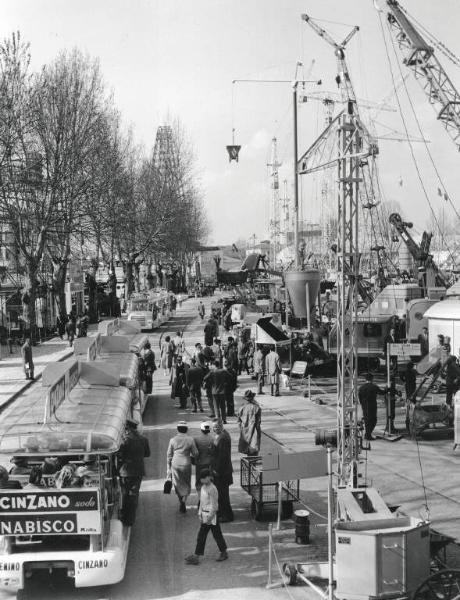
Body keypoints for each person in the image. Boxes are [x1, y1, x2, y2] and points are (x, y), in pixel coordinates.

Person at [185, 469, 228, 565]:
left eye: (204, 478)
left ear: (209, 477)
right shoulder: (203, 487)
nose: (202, 480)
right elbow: (201, 502)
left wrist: (210, 518)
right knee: (203, 536)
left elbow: (214, 506)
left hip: (211, 517)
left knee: (216, 535)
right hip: (205, 515)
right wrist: (199, 513)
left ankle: (223, 552)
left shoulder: (213, 489)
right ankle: (197, 556)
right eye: (201, 478)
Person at [118, 419, 150, 526]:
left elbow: (120, 455)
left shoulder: (124, 441)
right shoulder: (143, 439)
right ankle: (131, 519)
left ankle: (124, 516)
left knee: (125, 494)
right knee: (134, 495)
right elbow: (147, 454)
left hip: (125, 472)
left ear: (127, 428)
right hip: (139, 471)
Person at [166, 421, 198, 513]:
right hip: (186, 463)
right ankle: (184, 500)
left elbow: (169, 455)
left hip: (175, 464)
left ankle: (181, 500)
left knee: (177, 483)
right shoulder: (190, 439)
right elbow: (195, 453)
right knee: (186, 483)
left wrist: (168, 468)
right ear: (186, 429)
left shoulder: (172, 440)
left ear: (177, 429)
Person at [212, 420, 233, 522]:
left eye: (216, 427)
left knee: (223, 494)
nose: (214, 429)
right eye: (213, 427)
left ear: (221, 426)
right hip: (224, 471)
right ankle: (222, 513)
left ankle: (227, 516)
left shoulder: (223, 438)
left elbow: (222, 457)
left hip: (222, 472)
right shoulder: (222, 435)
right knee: (221, 494)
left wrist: (216, 470)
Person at [358, 373, 386, 441]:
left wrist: (362, 404)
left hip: (364, 406)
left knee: (367, 420)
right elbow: (382, 392)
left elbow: (359, 398)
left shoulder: (361, 387)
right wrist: (387, 389)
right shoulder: (374, 386)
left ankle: (367, 434)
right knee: (373, 420)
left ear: (365, 379)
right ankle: (368, 434)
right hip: (372, 405)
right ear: (372, 379)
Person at [193, 422, 215, 495]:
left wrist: (195, 460)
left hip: (200, 463)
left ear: (201, 429)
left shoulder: (196, 439)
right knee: (209, 480)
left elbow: (195, 453)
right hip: (209, 463)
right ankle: (208, 497)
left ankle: (200, 498)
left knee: (199, 481)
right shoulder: (212, 438)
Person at [237, 390, 262, 456]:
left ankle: (248, 466)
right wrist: (259, 434)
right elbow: (258, 423)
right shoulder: (257, 408)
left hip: (245, 432)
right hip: (254, 432)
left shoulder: (241, 408)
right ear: (252, 398)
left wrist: (242, 431)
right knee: (254, 453)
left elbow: (239, 422)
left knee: (247, 452)